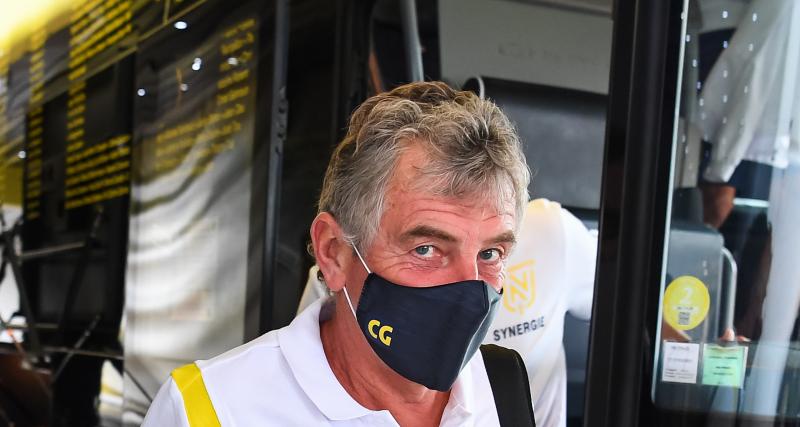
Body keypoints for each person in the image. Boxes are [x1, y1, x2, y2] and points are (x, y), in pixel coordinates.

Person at [141, 81, 532, 426]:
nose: (469, 287)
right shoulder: (211, 410)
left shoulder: (500, 384)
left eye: (490, 253)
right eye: (426, 249)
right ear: (333, 252)